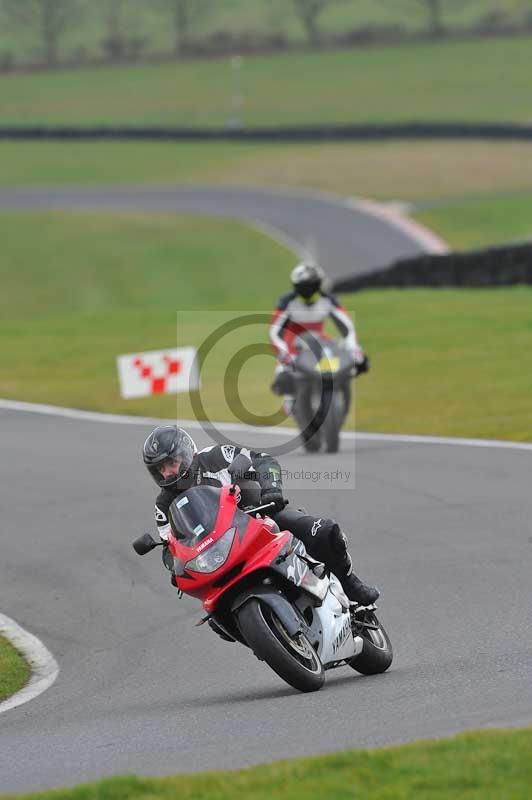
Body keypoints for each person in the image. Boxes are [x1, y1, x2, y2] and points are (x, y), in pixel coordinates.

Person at [143, 424, 379, 606]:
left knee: (324, 532)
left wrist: (271, 491)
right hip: (219, 551)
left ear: (186, 452)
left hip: (259, 517)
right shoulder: (163, 505)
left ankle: (350, 583)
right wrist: (175, 566)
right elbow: (169, 546)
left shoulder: (214, 457)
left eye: (171, 463)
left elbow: (262, 460)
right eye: (160, 469)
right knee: (212, 611)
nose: (167, 472)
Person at [269, 262, 368, 414]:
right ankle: (291, 397)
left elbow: (347, 327)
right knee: (284, 373)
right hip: (293, 343)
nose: (308, 291)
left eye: (312, 286)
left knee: (348, 359)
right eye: (303, 287)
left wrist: (354, 349)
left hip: (320, 340)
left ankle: (336, 389)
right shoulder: (286, 303)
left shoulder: (328, 300)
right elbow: (275, 332)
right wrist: (284, 354)